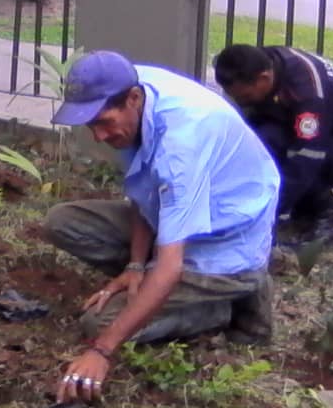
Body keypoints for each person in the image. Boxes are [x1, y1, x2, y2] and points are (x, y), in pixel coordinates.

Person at [42, 50, 279, 405]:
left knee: (98, 324)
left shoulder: (180, 146)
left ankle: (222, 305)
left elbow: (170, 267)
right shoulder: (131, 85)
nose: (98, 136)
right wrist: (136, 265)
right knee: (62, 222)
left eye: (103, 123)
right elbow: (145, 187)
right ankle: (162, 290)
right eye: (91, 125)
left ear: (133, 99)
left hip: (224, 241)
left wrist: (101, 350)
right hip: (182, 216)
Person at [214, 44, 333, 243]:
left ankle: (327, 211)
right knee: (263, 138)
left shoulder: (307, 92)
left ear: (264, 79)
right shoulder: (264, 61)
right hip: (323, 139)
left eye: (246, 97)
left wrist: (268, 212)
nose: (242, 103)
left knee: (287, 146)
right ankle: (304, 210)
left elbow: (307, 158)